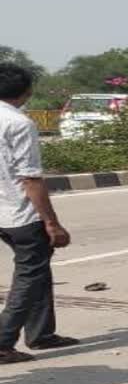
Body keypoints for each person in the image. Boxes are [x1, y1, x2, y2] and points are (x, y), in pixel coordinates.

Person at [0, 63, 78, 365]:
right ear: (27, 91)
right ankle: (3, 341)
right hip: (19, 213)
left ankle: (41, 333)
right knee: (29, 275)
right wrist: (52, 222)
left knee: (38, 268)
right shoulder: (19, 123)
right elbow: (30, 180)